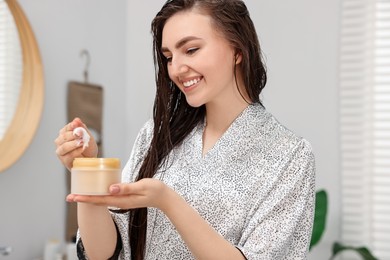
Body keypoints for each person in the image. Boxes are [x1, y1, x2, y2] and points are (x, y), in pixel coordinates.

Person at [55, 0, 316, 259]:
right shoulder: (157, 135)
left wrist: (167, 201)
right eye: (168, 57)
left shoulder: (290, 155)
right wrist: (85, 170)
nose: (176, 69)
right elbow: (102, 253)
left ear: (237, 49)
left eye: (191, 50)